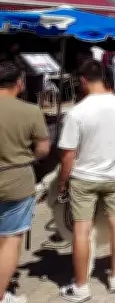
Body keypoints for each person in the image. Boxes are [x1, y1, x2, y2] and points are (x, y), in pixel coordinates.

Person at [57, 60, 115, 301]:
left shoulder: (76, 112)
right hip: (114, 175)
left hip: (84, 177)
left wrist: (62, 182)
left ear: (83, 81)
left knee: (81, 230)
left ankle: (81, 286)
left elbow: (68, 154)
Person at [0, 62, 50, 303]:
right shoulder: (31, 111)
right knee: (10, 239)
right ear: (19, 84)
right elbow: (43, 148)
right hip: (16, 179)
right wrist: (28, 157)